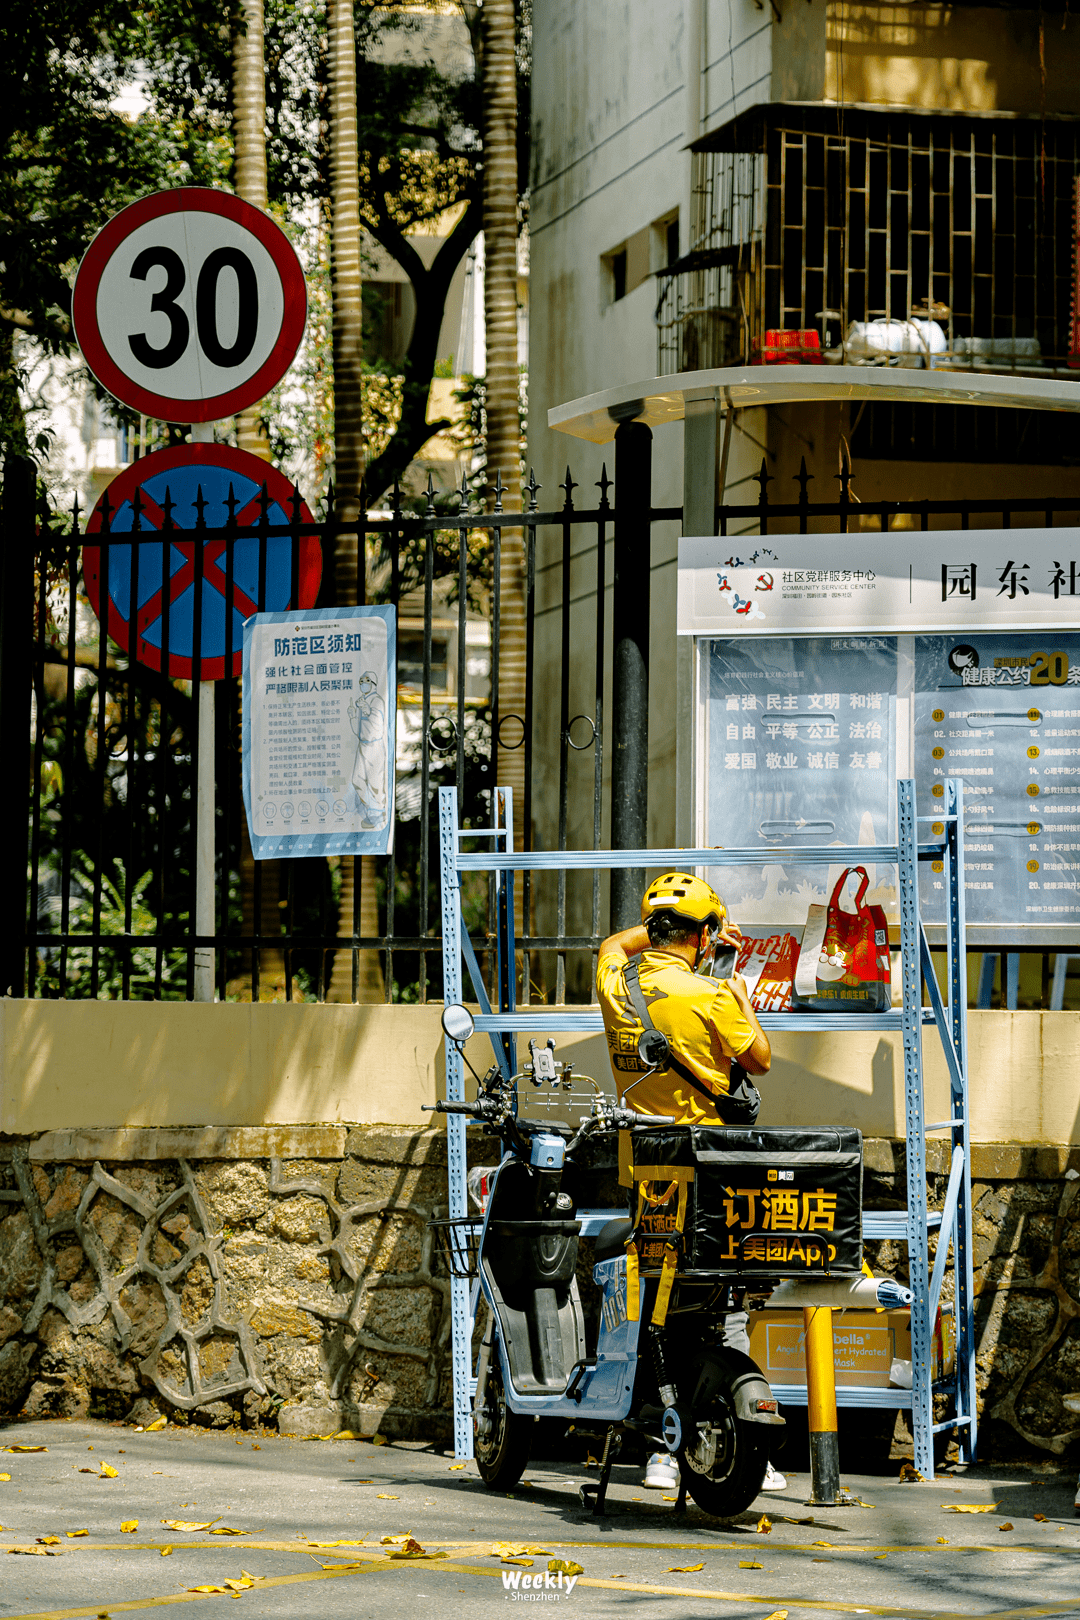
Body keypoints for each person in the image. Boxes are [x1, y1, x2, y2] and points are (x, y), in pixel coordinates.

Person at [596, 871, 786, 1494]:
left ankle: (661, 1448)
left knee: (658, 1296)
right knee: (720, 1291)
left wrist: (665, 929)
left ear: (653, 930)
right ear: (705, 936)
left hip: (646, 1171)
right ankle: (719, 1423)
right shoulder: (712, 995)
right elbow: (757, 1060)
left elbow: (613, 948)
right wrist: (742, 998)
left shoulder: (616, 985)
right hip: (709, 1168)